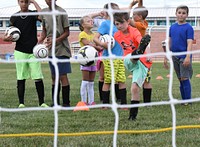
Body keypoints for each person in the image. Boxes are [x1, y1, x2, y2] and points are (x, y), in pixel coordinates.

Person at [3, 0, 48, 108]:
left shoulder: (32, 14)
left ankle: (41, 102)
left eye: (26, 2)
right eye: (22, 1)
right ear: (18, 2)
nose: (24, 4)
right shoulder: (14, 17)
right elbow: (8, 33)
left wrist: (34, 2)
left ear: (29, 3)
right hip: (20, 51)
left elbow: (42, 17)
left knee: (38, 77)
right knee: (21, 77)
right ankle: (21, 103)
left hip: (33, 52)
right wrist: (6, 38)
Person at [114, 12, 151, 120]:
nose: (119, 26)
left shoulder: (134, 31)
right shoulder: (117, 35)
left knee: (134, 88)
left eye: (121, 23)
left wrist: (148, 53)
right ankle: (136, 53)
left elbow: (142, 41)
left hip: (142, 63)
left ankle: (132, 116)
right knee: (130, 56)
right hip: (128, 60)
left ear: (128, 22)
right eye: (116, 24)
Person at [38, 0, 71, 107]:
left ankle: (66, 103)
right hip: (50, 49)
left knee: (62, 75)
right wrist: (39, 42)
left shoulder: (62, 12)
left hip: (62, 49)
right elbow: (44, 30)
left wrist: (55, 40)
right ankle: (55, 102)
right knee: (53, 76)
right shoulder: (44, 12)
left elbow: (67, 32)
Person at [93, 3, 127, 107]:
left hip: (120, 57)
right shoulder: (105, 24)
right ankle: (105, 104)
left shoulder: (120, 24)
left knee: (121, 79)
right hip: (109, 58)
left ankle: (123, 103)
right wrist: (102, 44)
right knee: (108, 80)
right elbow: (95, 38)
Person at [163, 5, 193, 106]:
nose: (181, 15)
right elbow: (170, 42)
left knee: (185, 78)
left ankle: (187, 101)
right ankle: (183, 99)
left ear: (187, 15)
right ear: (176, 14)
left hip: (184, 56)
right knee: (180, 78)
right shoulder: (172, 27)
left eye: (183, 13)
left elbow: (189, 43)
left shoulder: (188, 27)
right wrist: (166, 55)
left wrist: (188, 56)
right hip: (174, 56)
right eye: (179, 12)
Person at [129, 0, 153, 104]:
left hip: (143, 53)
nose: (132, 16)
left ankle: (147, 102)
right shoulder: (144, 22)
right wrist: (139, 2)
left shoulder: (138, 24)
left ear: (139, 17)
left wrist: (130, 6)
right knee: (144, 79)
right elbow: (141, 10)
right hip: (140, 52)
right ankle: (147, 102)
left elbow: (127, 20)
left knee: (146, 79)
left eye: (134, 14)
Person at [78, 15, 102, 105]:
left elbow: (97, 46)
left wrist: (99, 46)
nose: (91, 22)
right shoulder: (82, 34)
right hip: (85, 62)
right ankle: (83, 101)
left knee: (91, 82)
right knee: (85, 81)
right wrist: (98, 46)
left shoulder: (94, 34)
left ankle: (91, 101)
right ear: (83, 25)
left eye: (91, 21)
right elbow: (88, 44)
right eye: (88, 21)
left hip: (93, 61)